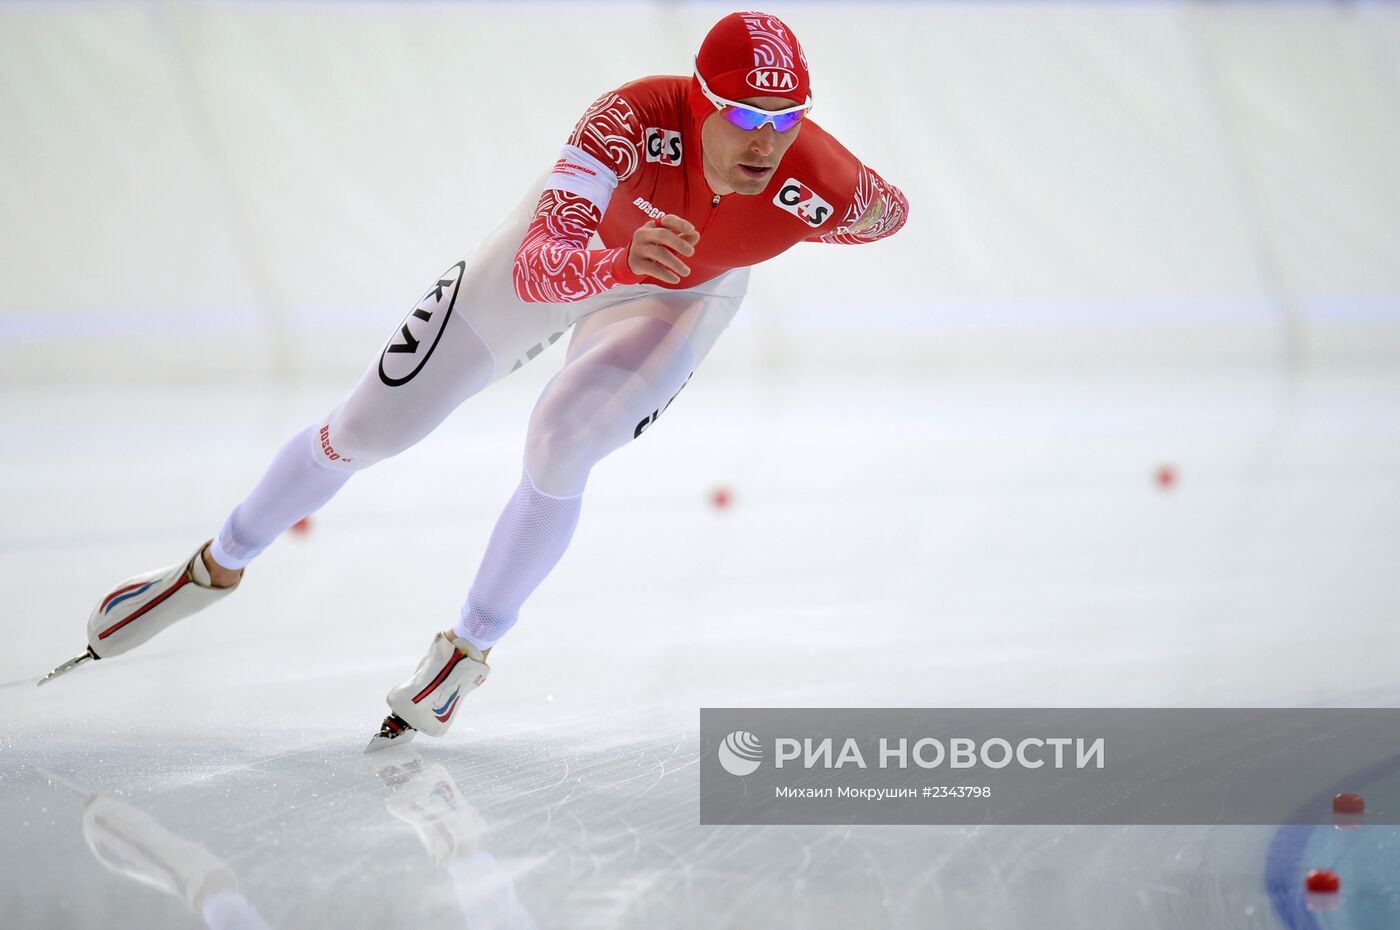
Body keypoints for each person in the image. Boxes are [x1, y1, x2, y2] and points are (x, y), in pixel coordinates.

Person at [43, 11, 909, 749]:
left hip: (686, 291)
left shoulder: (821, 180)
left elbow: (888, 214)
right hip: (577, 251)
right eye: (745, 114)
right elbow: (539, 270)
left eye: (787, 116)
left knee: (565, 438)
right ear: (698, 99)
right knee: (373, 426)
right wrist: (616, 256)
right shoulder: (627, 119)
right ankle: (214, 565)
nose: (766, 140)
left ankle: (470, 647)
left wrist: (759, 237)